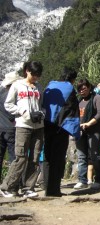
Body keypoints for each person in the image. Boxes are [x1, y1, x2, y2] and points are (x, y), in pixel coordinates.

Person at [0, 61, 44, 198]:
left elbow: (41, 105)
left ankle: (28, 187)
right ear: (27, 71)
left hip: (38, 126)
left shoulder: (38, 87)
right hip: (23, 125)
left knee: (35, 157)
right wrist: (24, 112)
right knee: (20, 157)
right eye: (33, 74)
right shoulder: (17, 85)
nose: (35, 77)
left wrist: (41, 113)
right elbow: (8, 104)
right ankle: (7, 186)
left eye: (38, 75)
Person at [42, 67, 80, 197]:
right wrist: (75, 131)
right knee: (58, 159)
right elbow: (71, 110)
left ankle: (46, 188)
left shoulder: (50, 85)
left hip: (46, 125)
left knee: (47, 157)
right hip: (61, 127)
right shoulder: (70, 88)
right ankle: (54, 190)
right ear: (72, 78)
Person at [74, 78, 100, 190]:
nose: (82, 91)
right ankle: (82, 180)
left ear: (89, 87)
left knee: (95, 155)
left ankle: (99, 180)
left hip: (94, 131)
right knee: (81, 156)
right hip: (80, 132)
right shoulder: (79, 101)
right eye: (80, 89)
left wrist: (89, 123)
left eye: (84, 88)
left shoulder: (97, 98)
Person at [0, 71, 22, 182]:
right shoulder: (12, 94)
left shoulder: (1, 92)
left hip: (1, 127)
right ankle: (13, 183)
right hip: (11, 129)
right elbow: (11, 113)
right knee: (14, 157)